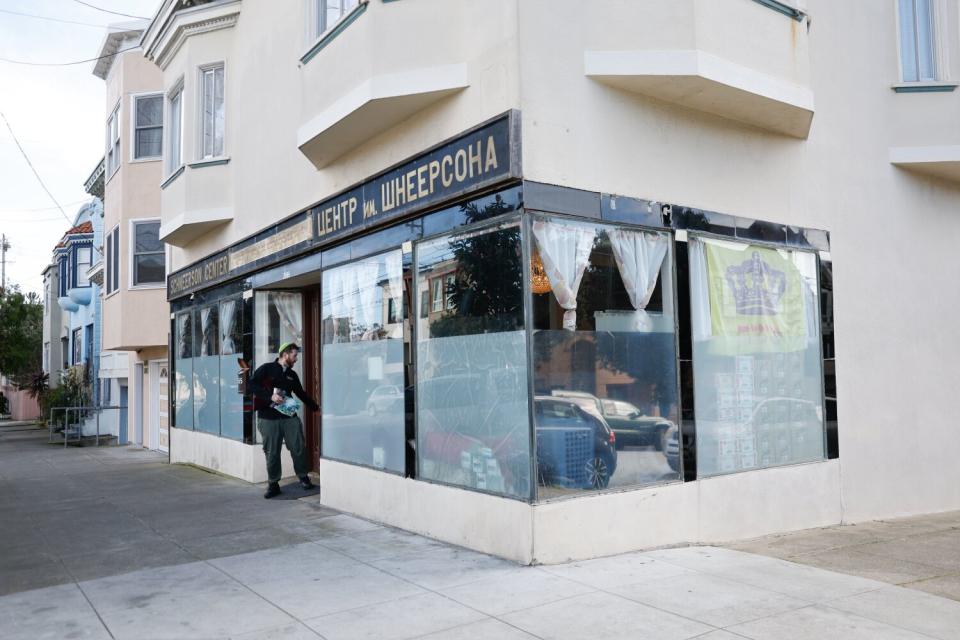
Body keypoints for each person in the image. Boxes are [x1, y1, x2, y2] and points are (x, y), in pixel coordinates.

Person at [249, 342, 319, 498]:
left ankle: (303, 478)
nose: (296, 359)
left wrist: (315, 408)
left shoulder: (292, 375)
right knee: (272, 452)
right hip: (268, 419)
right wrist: (269, 396)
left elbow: (301, 393)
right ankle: (273, 484)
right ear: (285, 354)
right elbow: (251, 384)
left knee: (298, 447)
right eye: (294, 355)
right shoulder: (267, 368)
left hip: (289, 417)